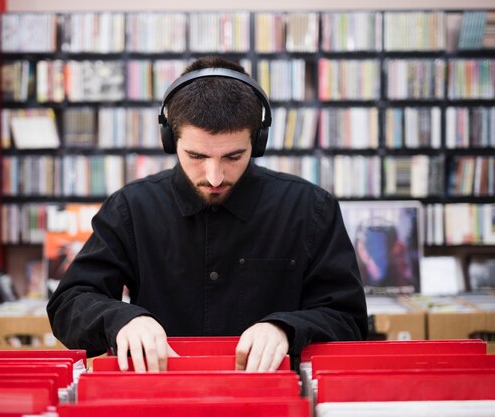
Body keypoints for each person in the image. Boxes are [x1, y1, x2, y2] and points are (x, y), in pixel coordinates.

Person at [47, 55, 368, 373]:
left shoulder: (310, 209)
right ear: (171, 140)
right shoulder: (131, 208)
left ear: (257, 141)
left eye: (233, 156)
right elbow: (69, 303)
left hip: (274, 396)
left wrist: (287, 328)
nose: (214, 176)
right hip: (162, 397)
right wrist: (122, 320)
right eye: (197, 155)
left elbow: (348, 319)